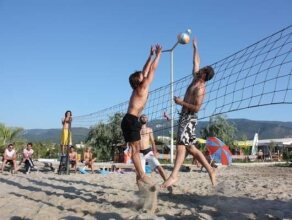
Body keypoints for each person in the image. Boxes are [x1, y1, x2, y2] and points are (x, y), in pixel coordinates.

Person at [162, 38, 216, 189]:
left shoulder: (200, 89)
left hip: (189, 117)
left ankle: (174, 176)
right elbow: (196, 62)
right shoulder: (195, 78)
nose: (200, 69)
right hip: (184, 117)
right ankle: (210, 170)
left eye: (203, 70)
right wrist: (195, 47)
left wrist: (181, 103)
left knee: (181, 145)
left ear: (205, 76)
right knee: (190, 148)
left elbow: (197, 108)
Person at [121, 44, 162, 185]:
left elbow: (145, 70)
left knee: (136, 150)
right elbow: (152, 70)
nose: (143, 74)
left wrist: (150, 55)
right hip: (130, 120)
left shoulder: (139, 87)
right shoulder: (143, 86)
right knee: (135, 150)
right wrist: (159, 55)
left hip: (131, 120)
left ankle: (140, 180)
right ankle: (143, 176)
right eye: (140, 75)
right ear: (138, 80)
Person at [139, 114, 172, 191]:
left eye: (146, 117)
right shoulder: (137, 130)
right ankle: (142, 190)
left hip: (148, 151)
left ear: (147, 120)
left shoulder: (149, 129)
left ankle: (168, 184)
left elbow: (153, 142)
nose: (144, 117)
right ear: (140, 119)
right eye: (143, 117)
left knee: (159, 167)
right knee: (141, 174)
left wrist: (155, 151)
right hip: (139, 153)